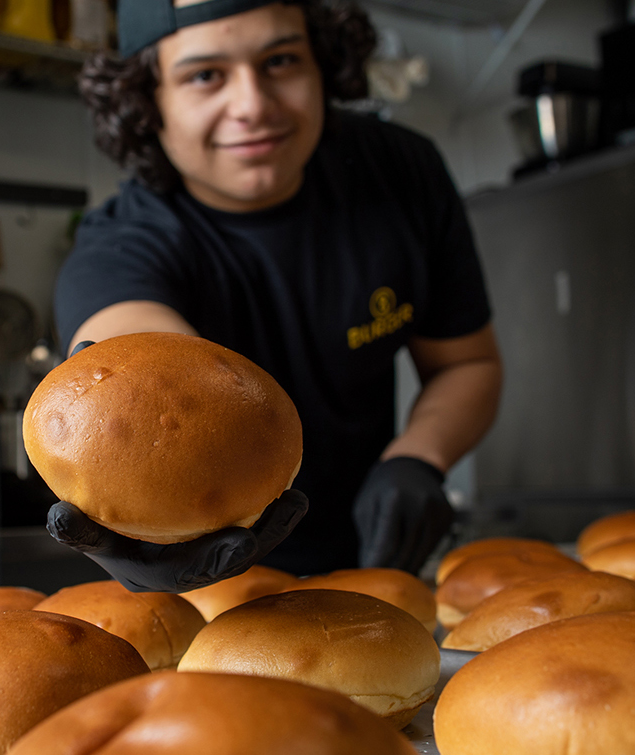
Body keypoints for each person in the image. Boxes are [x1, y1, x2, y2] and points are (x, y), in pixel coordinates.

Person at [43, 0, 503, 592]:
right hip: (215, 587)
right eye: (205, 75)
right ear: (145, 99)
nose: (254, 105)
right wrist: (149, 528)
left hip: (378, 565)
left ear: (323, 66)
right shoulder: (122, 243)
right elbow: (132, 375)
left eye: (281, 60)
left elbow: (467, 361)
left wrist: (419, 458)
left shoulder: (398, 171)